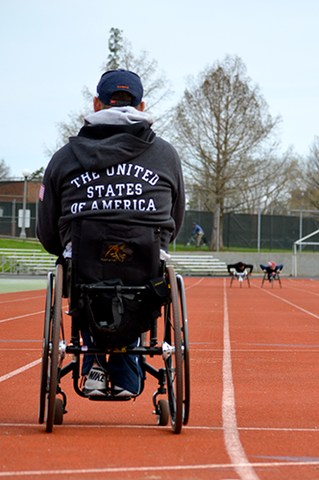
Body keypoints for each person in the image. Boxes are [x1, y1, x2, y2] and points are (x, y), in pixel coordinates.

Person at [37, 68, 185, 397]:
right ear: (142, 107)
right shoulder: (166, 155)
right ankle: (125, 374)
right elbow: (175, 220)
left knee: (81, 270)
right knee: (139, 271)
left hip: (85, 268)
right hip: (144, 268)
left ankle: (92, 364)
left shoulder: (63, 158)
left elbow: (47, 232)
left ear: (96, 104)